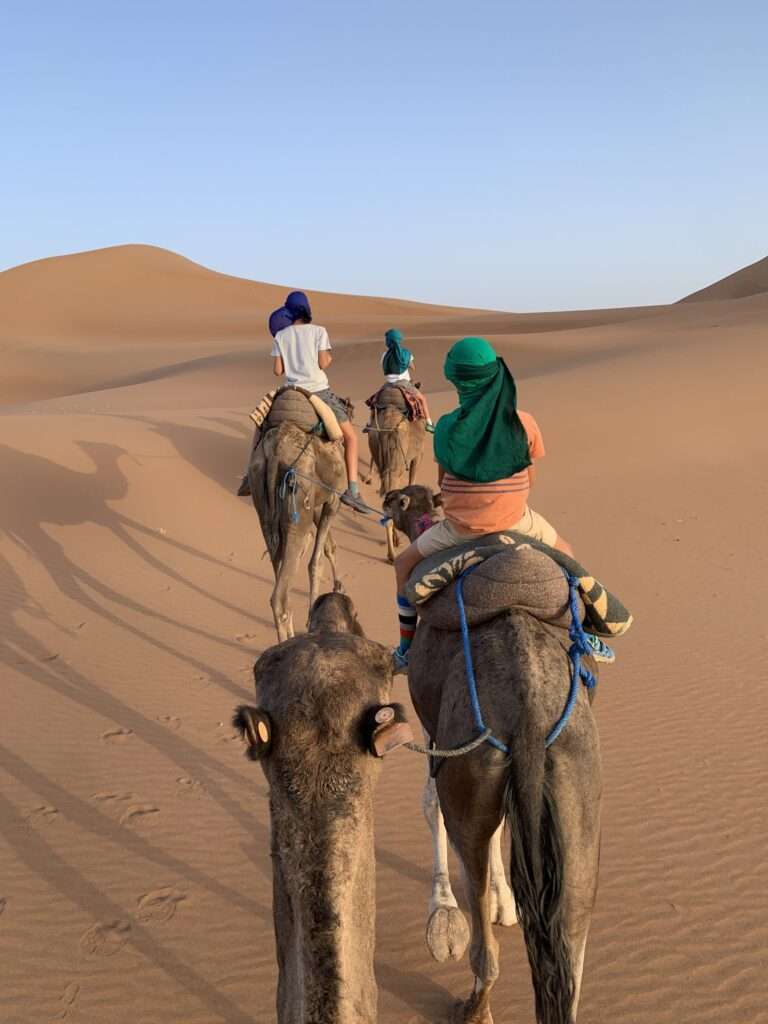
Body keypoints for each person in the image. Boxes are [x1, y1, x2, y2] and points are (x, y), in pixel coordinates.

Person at [392, 336, 615, 670]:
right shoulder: (524, 422)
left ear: (456, 380)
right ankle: (585, 631)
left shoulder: (449, 426)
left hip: (459, 531)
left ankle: (406, 649)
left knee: (402, 564)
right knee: (567, 554)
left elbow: (441, 483)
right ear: (495, 374)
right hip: (518, 522)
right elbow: (530, 479)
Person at [269, 290, 369, 513]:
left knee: (262, 424)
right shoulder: (319, 332)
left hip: (290, 391)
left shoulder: (281, 336)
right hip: (318, 393)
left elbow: (277, 371)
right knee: (351, 437)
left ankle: (251, 474)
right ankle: (352, 491)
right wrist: (327, 358)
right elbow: (323, 363)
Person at [380, 328, 434, 430]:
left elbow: (383, 368)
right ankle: (429, 423)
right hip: (403, 383)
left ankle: (370, 424)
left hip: (388, 384)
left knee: (375, 401)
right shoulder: (406, 354)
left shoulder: (384, 355)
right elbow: (413, 368)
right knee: (422, 399)